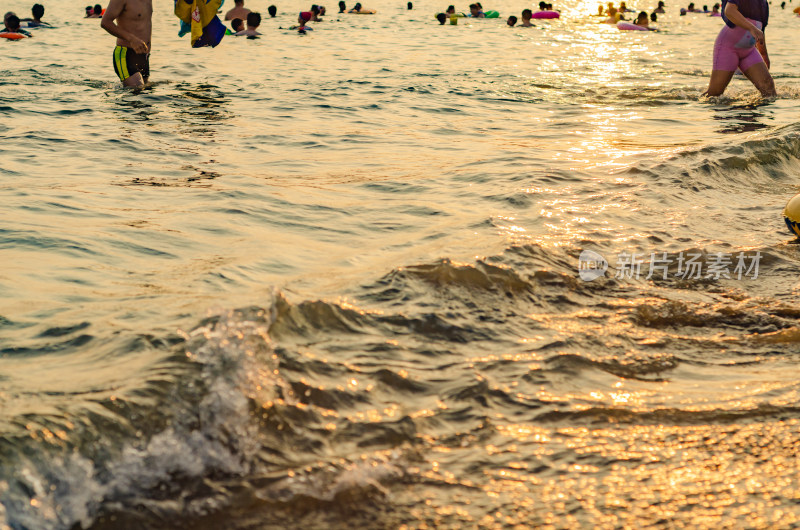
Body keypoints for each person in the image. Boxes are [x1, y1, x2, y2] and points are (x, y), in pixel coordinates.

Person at [704, 0, 776, 97]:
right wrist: (752, 29)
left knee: (769, 90)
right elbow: (729, 11)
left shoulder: (762, 3)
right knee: (714, 94)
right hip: (728, 47)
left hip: (749, 50)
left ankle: (753, 111)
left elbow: (760, 33)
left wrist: (764, 55)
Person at [101, 0, 151, 87]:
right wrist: (132, 39)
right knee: (137, 91)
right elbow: (105, 22)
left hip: (144, 56)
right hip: (125, 54)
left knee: (146, 95)